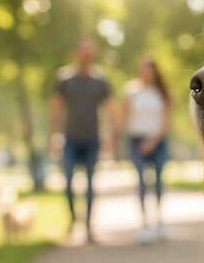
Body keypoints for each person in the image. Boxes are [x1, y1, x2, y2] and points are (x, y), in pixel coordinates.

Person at [48, 39, 118, 242]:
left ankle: (88, 227)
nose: (86, 55)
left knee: (90, 184)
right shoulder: (65, 79)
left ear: (93, 54)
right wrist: (52, 135)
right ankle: (72, 220)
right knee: (68, 180)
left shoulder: (100, 80)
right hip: (70, 139)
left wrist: (110, 138)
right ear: (76, 53)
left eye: (89, 51)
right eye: (83, 51)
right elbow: (56, 108)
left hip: (92, 139)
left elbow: (109, 110)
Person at [123, 56, 172, 244]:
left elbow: (166, 121)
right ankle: (144, 223)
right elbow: (124, 116)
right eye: (142, 69)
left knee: (158, 180)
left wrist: (153, 140)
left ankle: (159, 220)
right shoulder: (131, 90)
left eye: (148, 69)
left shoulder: (163, 92)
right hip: (136, 140)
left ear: (154, 71)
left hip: (158, 141)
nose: (145, 73)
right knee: (142, 180)